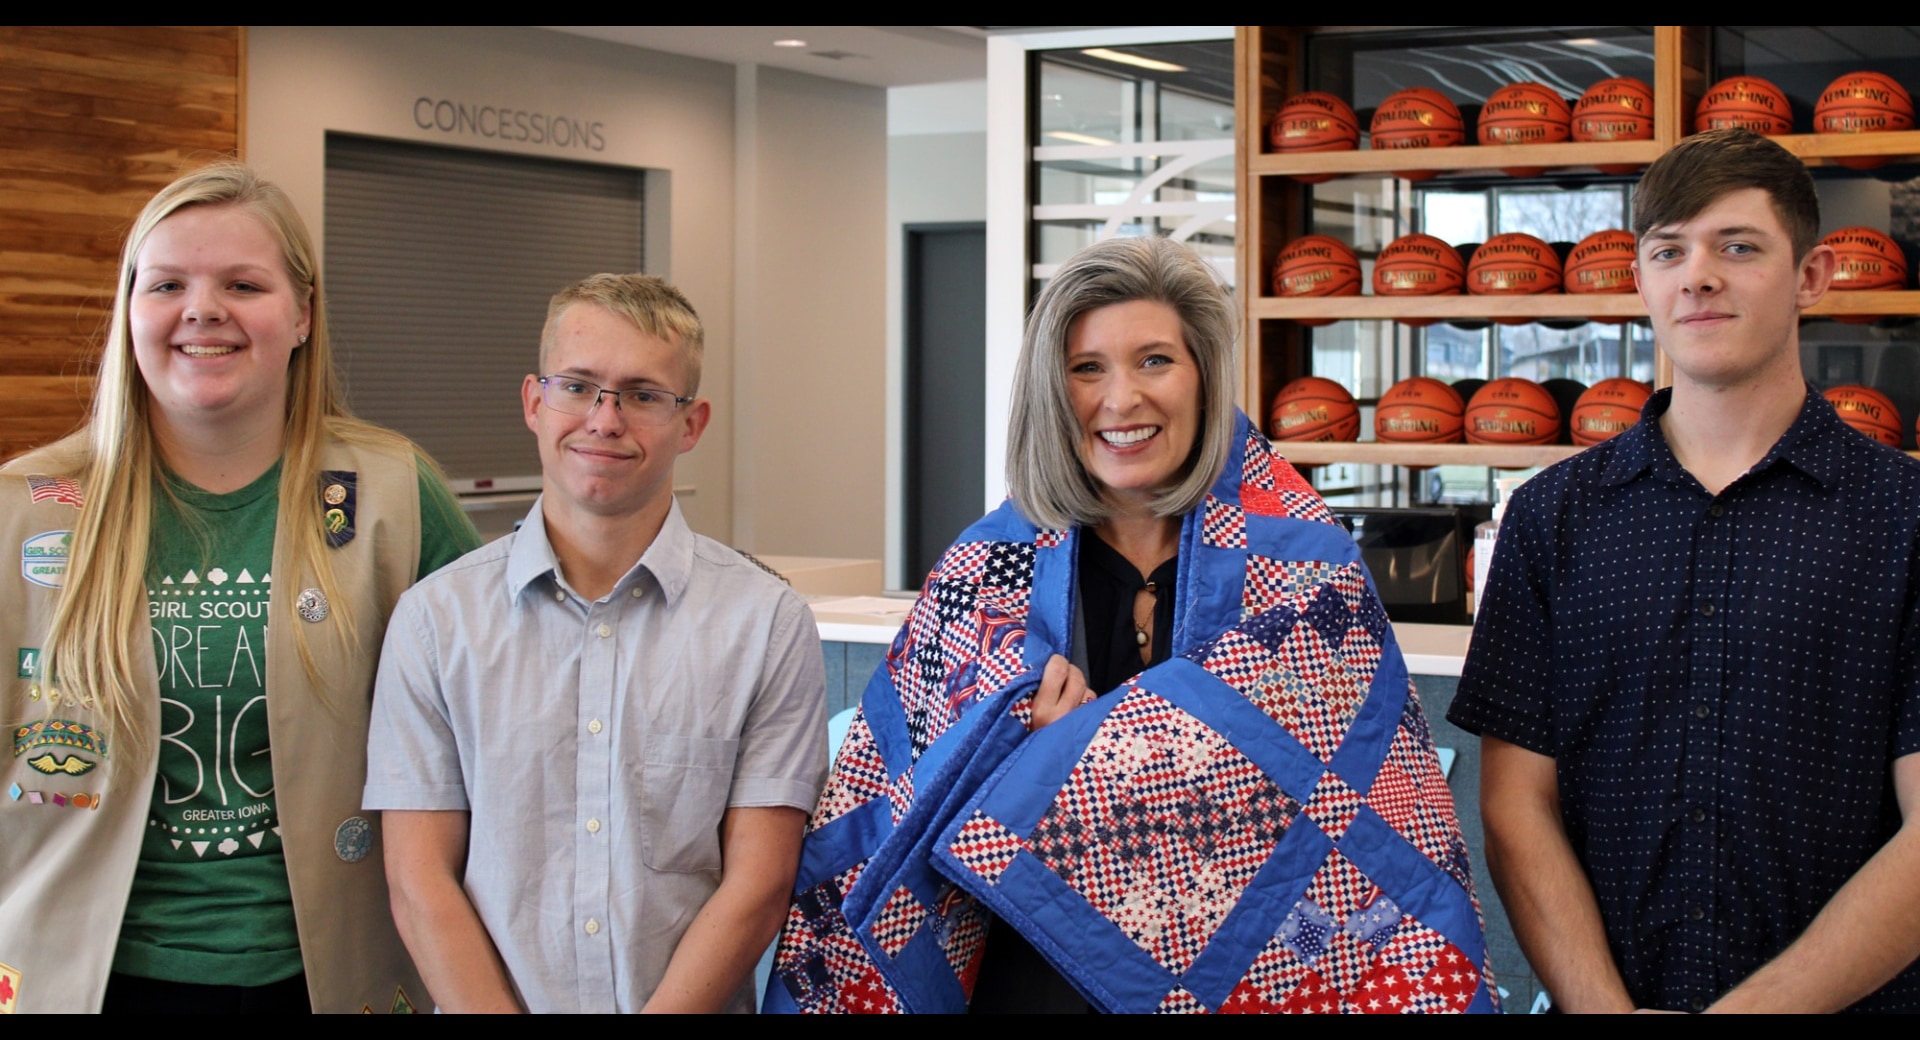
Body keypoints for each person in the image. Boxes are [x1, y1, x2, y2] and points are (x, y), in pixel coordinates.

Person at [766, 236, 1493, 1014]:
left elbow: (1360, 820)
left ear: (1205, 378)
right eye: (1088, 368)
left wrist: (1075, 754)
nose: (1122, 400)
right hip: (1021, 982)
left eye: (1155, 361)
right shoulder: (981, 575)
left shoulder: (1307, 570)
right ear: (1054, 390)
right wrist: (1007, 728)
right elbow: (898, 801)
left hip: (1253, 977)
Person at [1448, 128, 1920, 1013]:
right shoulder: (1550, 518)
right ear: (1641, 280)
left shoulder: (1906, 516)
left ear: (1811, 278)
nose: (1697, 275)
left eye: (1737, 247)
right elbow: (1517, 809)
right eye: (1669, 251)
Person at [0, 162, 480, 1013]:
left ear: (301, 313)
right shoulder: (25, 511)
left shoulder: (392, 496)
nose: (202, 309)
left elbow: (493, 733)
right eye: (169, 283)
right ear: (130, 310)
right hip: (79, 979)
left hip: (331, 975)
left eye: (243, 284)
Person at [364, 273, 827, 1013]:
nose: (605, 419)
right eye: (578, 386)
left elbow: (757, 887)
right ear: (533, 402)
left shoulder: (765, 624)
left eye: (644, 395)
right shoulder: (433, 622)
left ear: (693, 423)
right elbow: (420, 885)